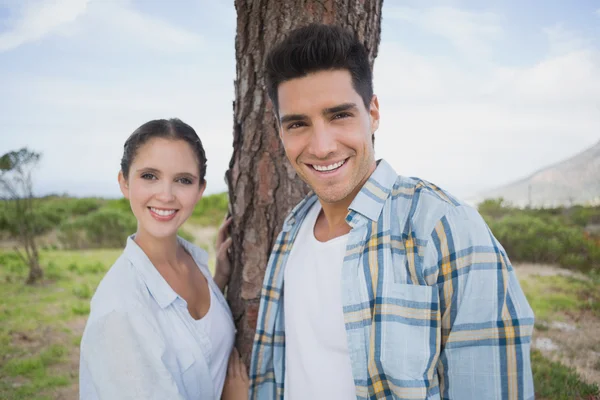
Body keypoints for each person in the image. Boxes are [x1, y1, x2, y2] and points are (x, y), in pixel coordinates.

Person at [249, 24, 535, 400]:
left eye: (339, 116)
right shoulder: (292, 229)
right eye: (298, 123)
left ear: (373, 113)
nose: (321, 147)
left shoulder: (444, 227)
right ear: (281, 131)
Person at [79, 118, 248, 400]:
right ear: (124, 182)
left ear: (200, 190)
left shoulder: (191, 260)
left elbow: (189, 333)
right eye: (149, 176)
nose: (166, 195)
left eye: (183, 180)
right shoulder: (119, 312)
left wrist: (218, 277)